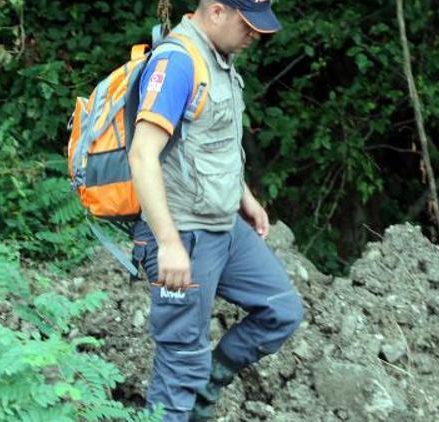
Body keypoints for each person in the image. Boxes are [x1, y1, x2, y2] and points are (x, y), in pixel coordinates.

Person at [127, 1, 303, 420]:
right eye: (248, 25)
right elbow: (141, 155)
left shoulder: (219, 59)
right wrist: (168, 244)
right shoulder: (177, 63)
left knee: (281, 309)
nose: (254, 36)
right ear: (217, 11)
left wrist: (244, 196)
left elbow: (212, 141)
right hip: (183, 233)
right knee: (181, 359)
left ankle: (203, 397)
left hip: (224, 226)